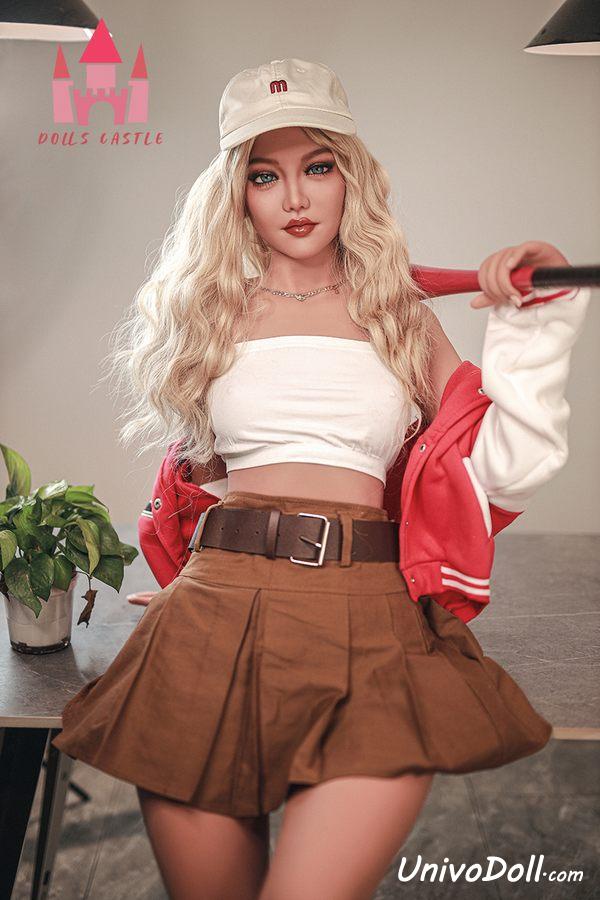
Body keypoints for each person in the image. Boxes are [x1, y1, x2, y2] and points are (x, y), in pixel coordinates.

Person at [52, 58, 590, 900]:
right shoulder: (207, 313)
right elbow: (196, 480)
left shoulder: (400, 314)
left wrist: (535, 327)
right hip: (213, 617)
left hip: (370, 617)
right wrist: (195, 576)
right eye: (265, 175)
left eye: (318, 166)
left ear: (351, 178)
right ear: (237, 193)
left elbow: (501, 470)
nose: (295, 198)